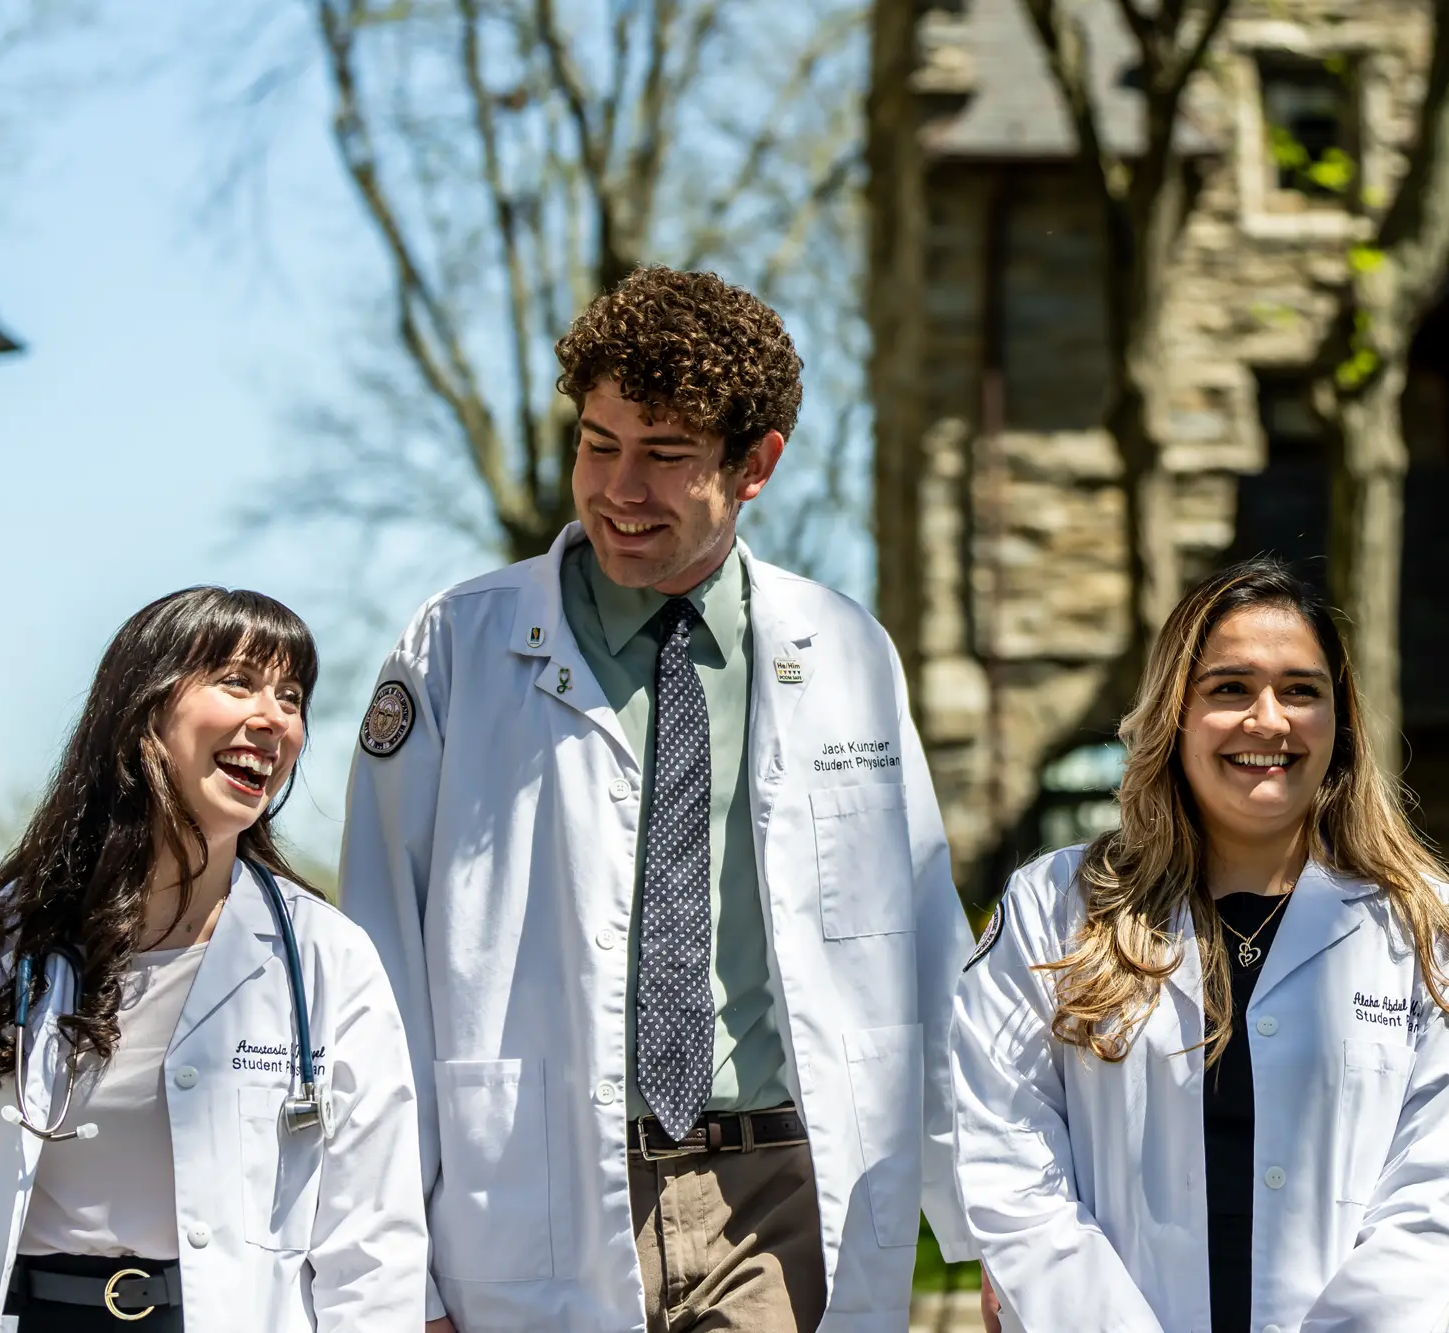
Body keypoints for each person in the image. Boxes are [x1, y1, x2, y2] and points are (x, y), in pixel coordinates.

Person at [339, 265, 978, 1333]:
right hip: (532, 1195)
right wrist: (395, 1269)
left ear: (754, 464)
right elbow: (377, 956)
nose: (617, 490)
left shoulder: (843, 653)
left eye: (665, 456)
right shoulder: (455, 649)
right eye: (598, 444)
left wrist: (981, 1228)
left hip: (777, 1185)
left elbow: (923, 939)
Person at [952, 559, 1449, 1333]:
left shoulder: (1425, 927)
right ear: (1174, 713)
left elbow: (1441, 1185)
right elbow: (1010, 1158)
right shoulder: (1051, 911)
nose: (1268, 719)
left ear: (1340, 719)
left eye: (1300, 689)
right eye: (1229, 688)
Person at [0, 587, 427, 1333]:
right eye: (238, 681)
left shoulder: (327, 960)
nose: (275, 717)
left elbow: (373, 1253)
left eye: (292, 696)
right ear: (143, 711)